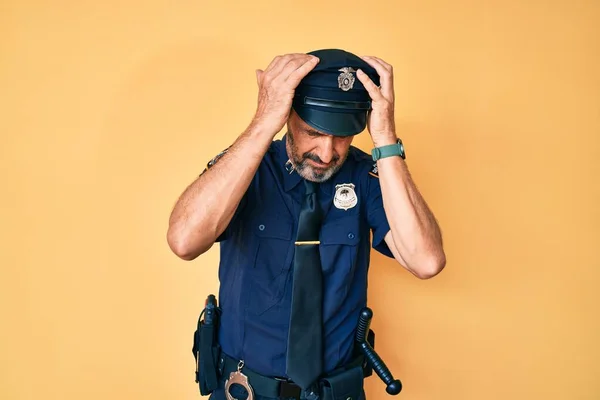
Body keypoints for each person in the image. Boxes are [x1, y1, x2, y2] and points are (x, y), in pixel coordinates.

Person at [167, 49, 446, 400]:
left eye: (343, 136)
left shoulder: (367, 177)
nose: (327, 153)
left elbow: (427, 261)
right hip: (245, 390)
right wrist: (262, 122)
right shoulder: (245, 170)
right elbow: (183, 241)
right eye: (313, 132)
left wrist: (386, 141)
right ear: (288, 116)